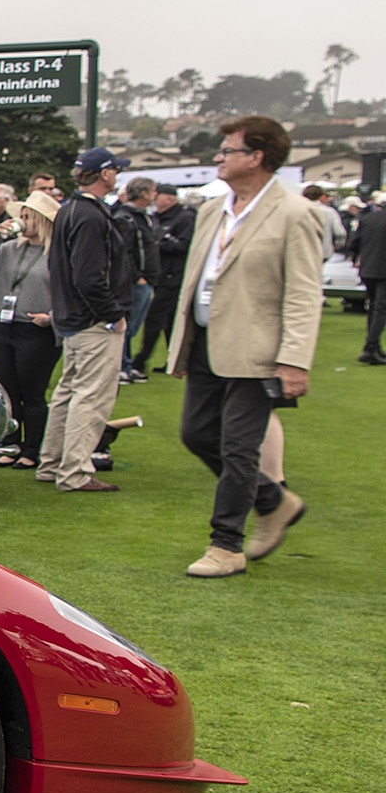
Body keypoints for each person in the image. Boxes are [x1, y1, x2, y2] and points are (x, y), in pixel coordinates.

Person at [167, 116, 323, 577]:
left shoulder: (296, 213)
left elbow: (303, 292)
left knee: (239, 448)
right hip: (207, 345)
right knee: (196, 434)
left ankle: (226, 544)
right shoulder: (213, 211)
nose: (219, 157)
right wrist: (183, 344)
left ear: (256, 157)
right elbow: (196, 281)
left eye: (227, 150)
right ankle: (274, 501)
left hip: (258, 350)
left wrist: (293, 361)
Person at [38, 148, 134, 492]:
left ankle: (51, 462)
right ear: (105, 174)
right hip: (92, 319)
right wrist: (112, 314)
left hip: (72, 316)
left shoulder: (70, 210)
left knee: (68, 391)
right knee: (90, 396)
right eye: (115, 171)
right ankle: (75, 471)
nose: (117, 176)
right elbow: (90, 276)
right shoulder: (90, 216)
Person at [0, 190, 60, 469]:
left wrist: (51, 318)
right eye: (21, 216)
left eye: (29, 217)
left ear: (43, 222)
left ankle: (31, 449)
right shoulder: (8, 249)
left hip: (35, 329)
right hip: (2, 325)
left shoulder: (55, 255)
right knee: (6, 389)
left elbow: (68, 292)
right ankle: (11, 442)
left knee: (32, 392)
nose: (22, 221)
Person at [135, 185, 194, 373]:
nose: (154, 199)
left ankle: (141, 359)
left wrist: (160, 244)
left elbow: (185, 245)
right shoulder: (156, 218)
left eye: (157, 196)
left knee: (155, 317)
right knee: (169, 320)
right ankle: (174, 359)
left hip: (174, 275)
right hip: (160, 275)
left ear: (169, 199)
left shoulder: (184, 218)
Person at [116, 177, 161, 383]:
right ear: (143, 193)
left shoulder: (144, 217)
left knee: (132, 327)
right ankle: (121, 366)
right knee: (126, 325)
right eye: (152, 191)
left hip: (147, 278)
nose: (155, 195)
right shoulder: (126, 218)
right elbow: (123, 251)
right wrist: (137, 277)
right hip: (136, 281)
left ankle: (127, 364)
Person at [355, 190, 386, 364]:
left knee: (374, 307)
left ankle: (374, 347)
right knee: (380, 308)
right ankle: (370, 347)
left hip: (368, 268)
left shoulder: (367, 219)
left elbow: (354, 242)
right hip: (382, 269)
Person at [305, 184, 347, 254]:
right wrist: (339, 244)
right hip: (324, 251)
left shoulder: (296, 210)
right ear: (322, 197)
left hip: (302, 252)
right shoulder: (329, 212)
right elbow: (339, 232)